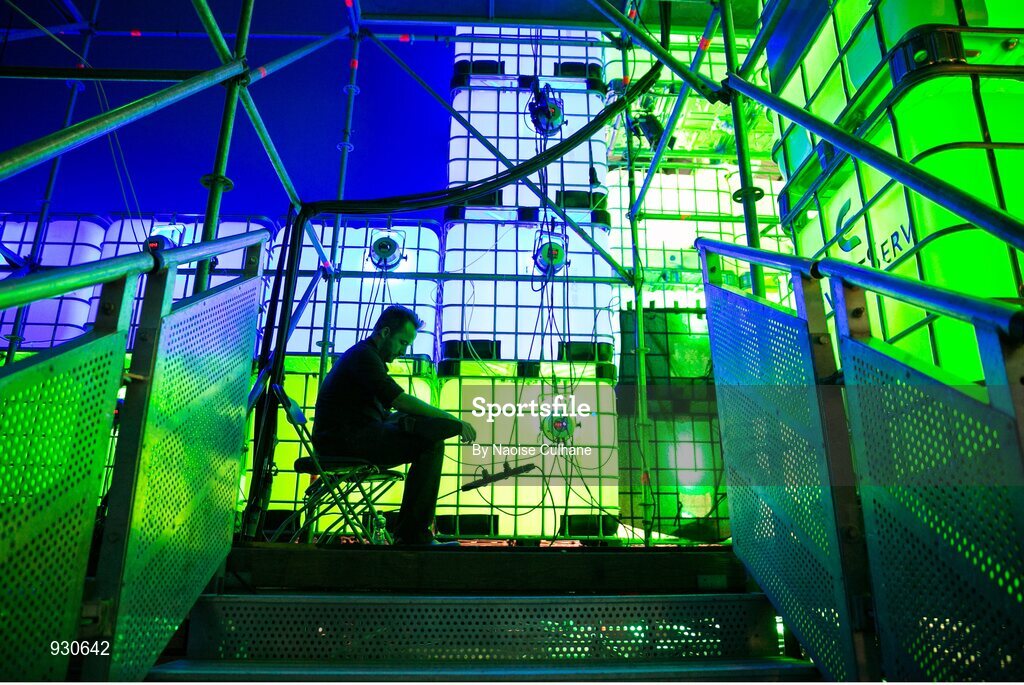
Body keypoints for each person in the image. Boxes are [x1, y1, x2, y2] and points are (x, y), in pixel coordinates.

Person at [312, 305, 476, 546]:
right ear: (386, 333)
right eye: (402, 342)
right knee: (430, 444)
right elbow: (397, 398)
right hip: (346, 442)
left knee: (412, 424)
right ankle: (413, 536)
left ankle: (424, 427)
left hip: (349, 435)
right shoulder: (364, 358)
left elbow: (387, 407)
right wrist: (451, 419)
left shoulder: (362, 355)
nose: (403, 350)